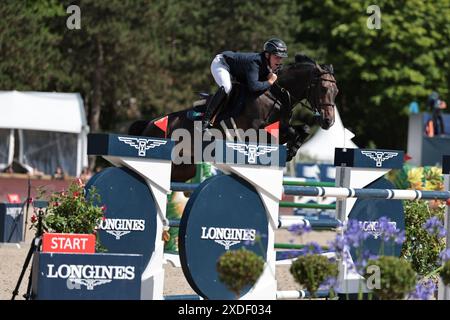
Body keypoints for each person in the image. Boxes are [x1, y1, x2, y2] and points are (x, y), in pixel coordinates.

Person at [202, 38, 288, 130]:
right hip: (222, 63)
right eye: (276, 57)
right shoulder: (255, 62)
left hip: (235, 71)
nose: (279, 61)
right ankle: (206, 119)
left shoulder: (266, 64)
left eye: (281, 58)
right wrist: (270, 81)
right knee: (227, 87)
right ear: (267, 55)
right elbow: (254, 87)